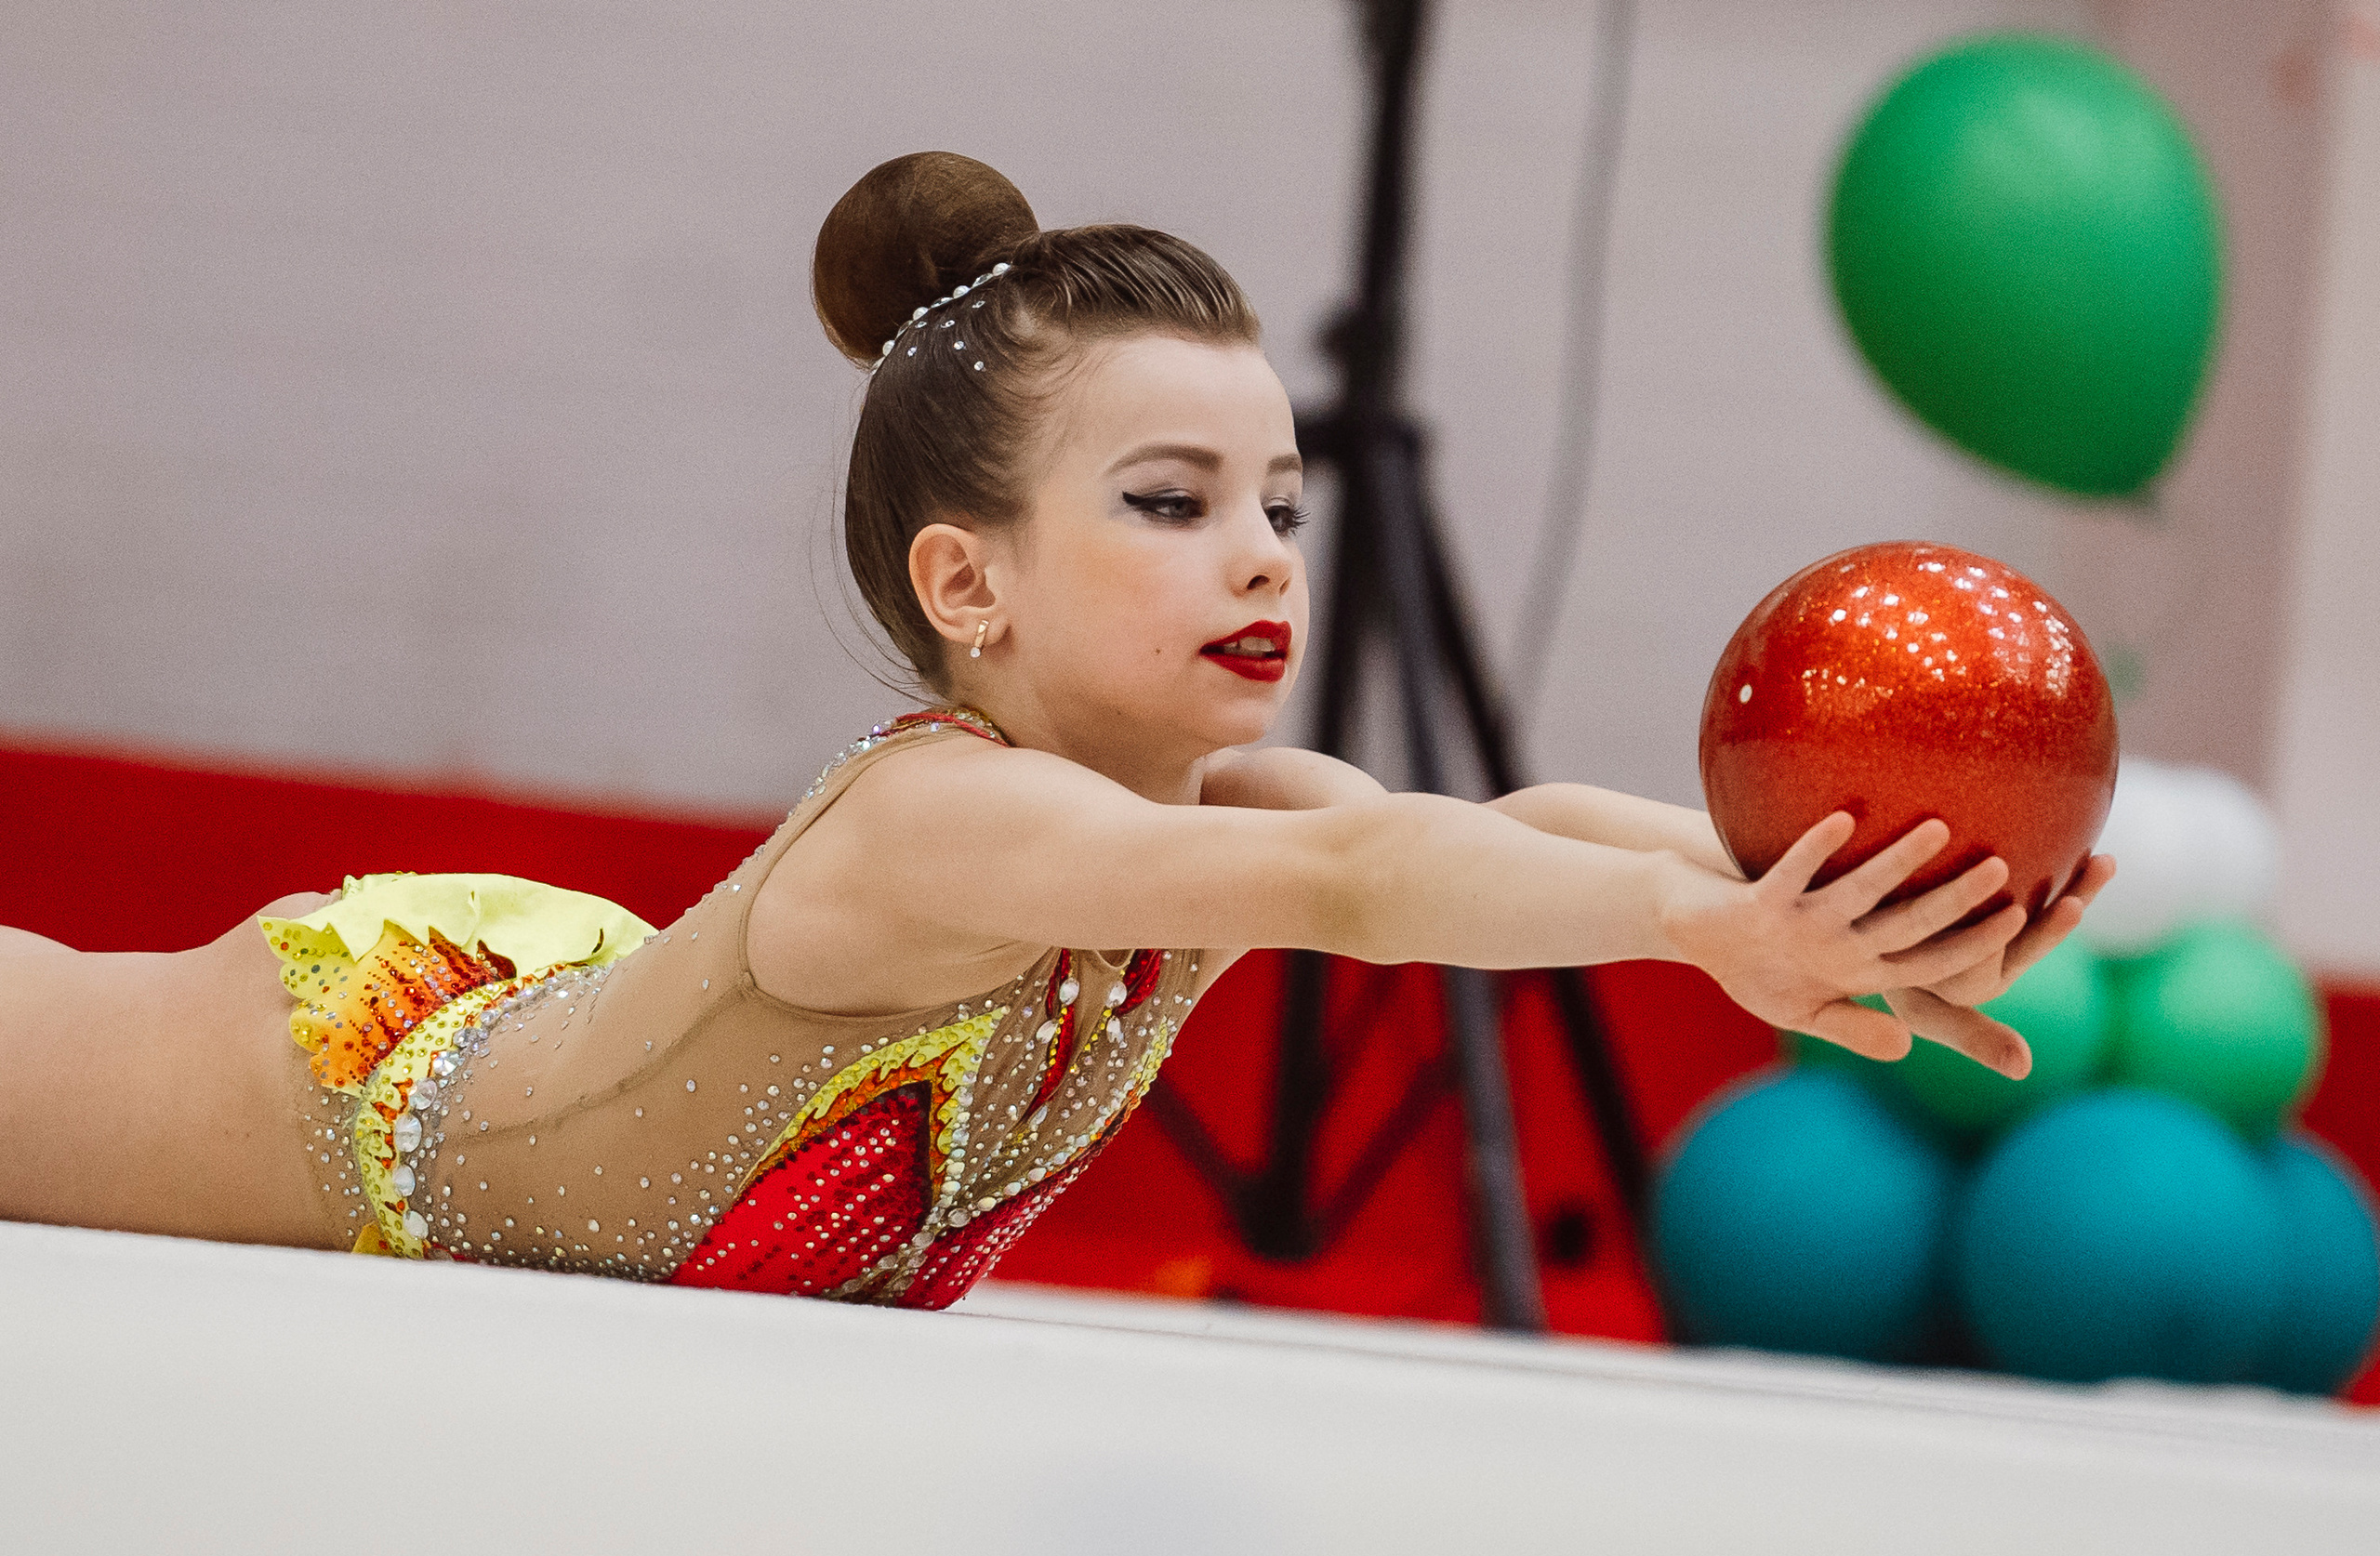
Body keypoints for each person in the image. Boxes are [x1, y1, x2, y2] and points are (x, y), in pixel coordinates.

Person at [0, 152, 2112, 1306]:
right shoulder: (955, 834)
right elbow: (1357, 880)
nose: (1262, 559)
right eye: (1169, 506)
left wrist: (1828, 892)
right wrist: (1709, 941)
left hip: (577, 1032)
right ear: (965, 585)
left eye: (1280, 505)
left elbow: (1503, 820)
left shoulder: (1200, 806)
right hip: (354, 1115)